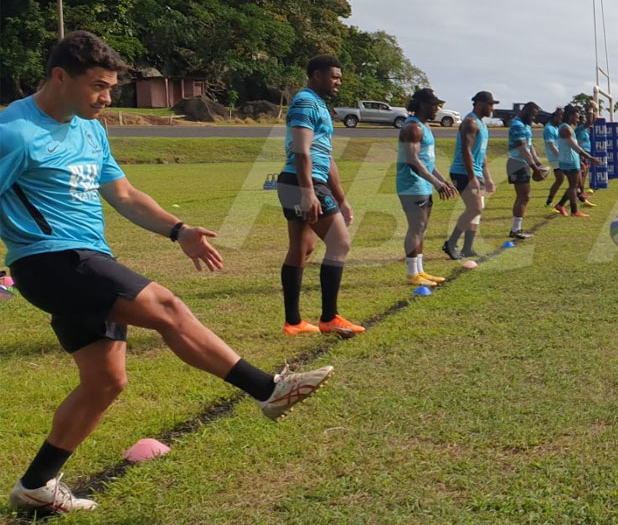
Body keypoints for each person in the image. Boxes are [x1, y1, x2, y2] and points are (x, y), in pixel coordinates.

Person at [0, 32, 332, 516]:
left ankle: (36, 484)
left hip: (88, 257)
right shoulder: (14, 131)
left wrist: (178, 230)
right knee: (167, 307)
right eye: (98, 86)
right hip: (49, 260)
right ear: (58, 77)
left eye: (111, 87)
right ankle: (269, 390)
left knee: (106, 381)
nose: (108, 98)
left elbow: (126, 195)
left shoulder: (91, 130)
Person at [277, 55, 363, 337]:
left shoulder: (320, 105)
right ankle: (329, 318)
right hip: (304, 182)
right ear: (316, 75)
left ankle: (294, 322)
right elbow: (302, 151)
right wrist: (308, 192)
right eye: (334, 76)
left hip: (306, 181)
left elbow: (326, 157)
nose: (338, 81)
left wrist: (342, 198)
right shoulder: (305, 102)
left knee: (302, 249)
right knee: (340, 242)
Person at [398, 88, 457, 288]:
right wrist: (436, 183)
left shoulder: (425, 126)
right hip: (411, 184)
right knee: (416, 227)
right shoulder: (412, 128)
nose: (437, 109)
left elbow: (427, 161)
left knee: (422, 227)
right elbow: (412, 160)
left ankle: (420, 270)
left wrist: (442, 180)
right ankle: (412, 273)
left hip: (423, 183)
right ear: (422, 105)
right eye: (434, 105)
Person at [444, 92, 498, 260]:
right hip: (463, 172)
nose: (492, 108)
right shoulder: (470, 122)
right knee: (475, 208)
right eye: (490, 104)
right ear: (480, 103)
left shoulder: (482, 124)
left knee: (477, 210)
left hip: (476, 172)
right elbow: (466, 151)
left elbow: (481, 154)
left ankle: (468, 248)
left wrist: (487, 177)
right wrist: (473, 177)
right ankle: (451, 243)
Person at [507, 101, 548, 239]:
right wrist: (534, 168)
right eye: (532, 115)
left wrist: (537, 162)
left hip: (523, 163)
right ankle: (515, 230)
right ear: (525, 111)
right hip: (517, 163)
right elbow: (522, 148)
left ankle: (516, 229)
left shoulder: (526, 125)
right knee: (524, 197)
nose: (533, 118)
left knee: (524, 197)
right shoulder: (517, 125)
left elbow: (530, 147)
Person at [553, 105, 602, 217]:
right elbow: (574, 146)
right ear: (570, 116)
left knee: (576, 185)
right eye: (577, 117)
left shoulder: (568, 128)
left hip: (573, 159)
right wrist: (590, 157)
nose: (578, 120)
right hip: (569, 161)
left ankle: (560, 205)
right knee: (574, 186)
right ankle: (574, 211)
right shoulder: (565, 128)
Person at [543, 107, 566, 210]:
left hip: (559, 156)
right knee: (561, 179)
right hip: (555, 157)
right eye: (561, 118)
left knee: (561, 179)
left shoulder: (556, 127)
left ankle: (550, 202)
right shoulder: (549, 129)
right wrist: (561, 156)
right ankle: (550, 202)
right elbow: (552, 145)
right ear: (556, 116)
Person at [574, 107, 597, 207]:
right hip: (582, 153)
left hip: (586, 152)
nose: (584, 122)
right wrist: (590, 109)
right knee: (581, 175)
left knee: (584, 175)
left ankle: (581, 193)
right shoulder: (579, 129)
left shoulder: (583, 130)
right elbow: (590, 121)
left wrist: (595, 111)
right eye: (582, 120)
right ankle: (579, 194)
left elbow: (592, 120)